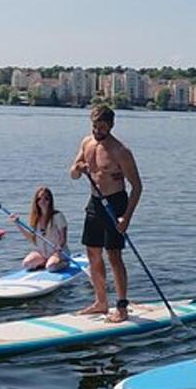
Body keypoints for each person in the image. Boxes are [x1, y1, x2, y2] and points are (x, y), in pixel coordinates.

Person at [69, 105, 142, 323]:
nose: (97, 131)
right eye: (94, 126)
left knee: (114, 255)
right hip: (94, 202)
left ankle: (121, 306)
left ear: (111, 126)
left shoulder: (121, 151)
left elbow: (137, 187)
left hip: (116, 203)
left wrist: (126, 217)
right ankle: (101, 302)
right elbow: (72, 174)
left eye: (102, 127)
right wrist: (78, 169)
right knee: (92, 253)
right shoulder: (87, 143)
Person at [9, 186, 69, 271]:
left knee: (51, 267)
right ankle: (45, 261)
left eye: (46, 198)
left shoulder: (58, 216)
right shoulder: (35, 219)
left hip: (58, 253)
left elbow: (63, 238)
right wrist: (17, 224)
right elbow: (32, 239)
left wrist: (59, 249)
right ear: (36, 201)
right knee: (26, 264)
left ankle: (64, 262)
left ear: (50, 201)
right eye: (39, 199)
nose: (43, 201)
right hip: (43, 253)